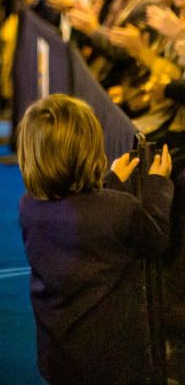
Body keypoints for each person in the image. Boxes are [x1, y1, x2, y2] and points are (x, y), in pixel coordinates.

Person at [18, 94, 172, 384]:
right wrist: (157, 184)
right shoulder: (119, 209)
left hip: (58, 353)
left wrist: (110, 183)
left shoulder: (28, 206)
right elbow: (157, 238)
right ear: (90, 150)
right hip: (113, 360)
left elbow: (81, 220)